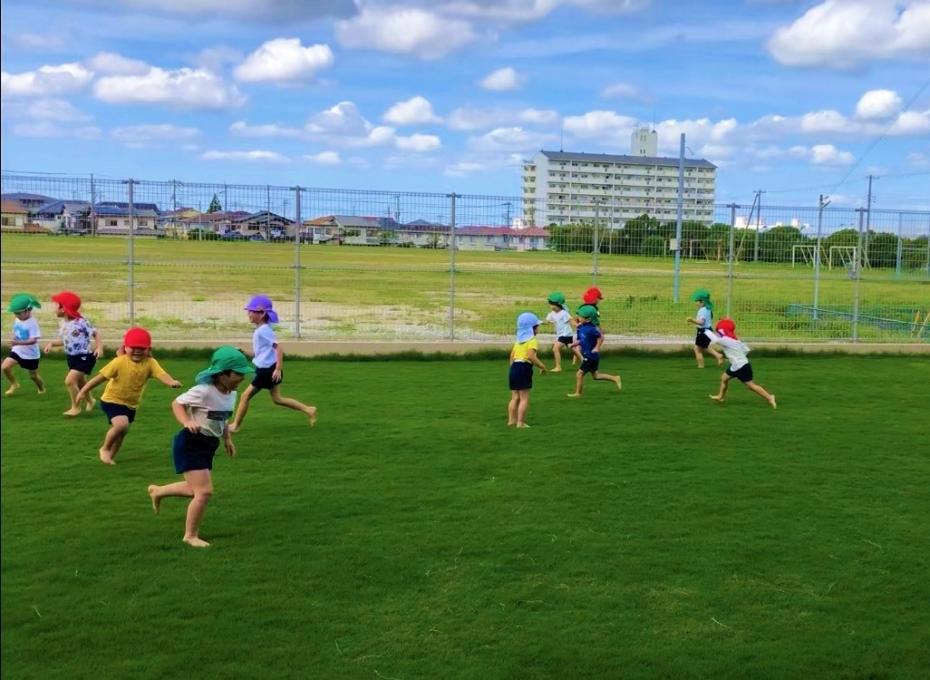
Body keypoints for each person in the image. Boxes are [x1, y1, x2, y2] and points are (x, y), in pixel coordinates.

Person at [147, 346, 254, 548]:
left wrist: (227, 439)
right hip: (191, 443)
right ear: (222, 374)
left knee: (194, 489)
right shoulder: (204, 391)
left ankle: (158, 491)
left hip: (208, 444)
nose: (242, 378)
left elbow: (221, 419)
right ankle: (190, 536)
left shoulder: (231, 394)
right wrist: (186, 421)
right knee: (204, 492)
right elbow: (177, 403)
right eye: (238, 374)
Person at [76, 327, 182, 465]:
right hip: (111, 400)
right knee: (121, 425)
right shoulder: (119, 362)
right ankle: (105, 449)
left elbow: (161, 374)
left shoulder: (150, 363)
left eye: (142, 348)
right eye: (134, 347)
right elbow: (100, 378)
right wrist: (83, 391)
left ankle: (110, 456)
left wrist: (171, 382)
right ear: (125, 347)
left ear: (148, 349)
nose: (137, 350)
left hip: (131, 404)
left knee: (122, 432)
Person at [228, 295, 317, 432]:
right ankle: (308, 409)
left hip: (267, 371)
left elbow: (278, 348)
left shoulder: (263, 331)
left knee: (245, 396)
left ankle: (235, 426)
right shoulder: (262, 330)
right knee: (277, 399)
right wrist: (243, 352)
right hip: (268, 369)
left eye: (251, 311)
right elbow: (261, 354)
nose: (248, 314)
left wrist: (277, 369)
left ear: (262, 313)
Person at [43, 291, 103, 416]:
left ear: (63, 309)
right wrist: (52, 344)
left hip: (84, 357)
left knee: (70, 381)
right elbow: (67, 340)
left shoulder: (81, 322)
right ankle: (90, 400)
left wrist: (99, 348)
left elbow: (96, 333)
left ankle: (76, 407)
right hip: (72, 358)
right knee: (81, 382)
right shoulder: (64, 324)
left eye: (56, 305)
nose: (54, 308)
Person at [705, 318, 776, 409]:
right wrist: (735, 357)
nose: (718, 333)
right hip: (738, 365)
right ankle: (720, 397)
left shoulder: (727, 340)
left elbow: (715, 340)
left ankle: (770, 397)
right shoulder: (736, 341)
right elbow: (746, 350)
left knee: (751, 386)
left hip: (741, 367)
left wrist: (705, 330)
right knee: (724, 378)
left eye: (719, 331)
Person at [567, 304, 621, 397]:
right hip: (590, 355)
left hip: (590, 356)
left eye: (580, 316)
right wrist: (573, 344)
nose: (578, 317)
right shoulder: (581, 328)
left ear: (588, 319)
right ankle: (615, 378)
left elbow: (601, 337)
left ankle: (577, 393)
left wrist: (597, 347)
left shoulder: (592, 329)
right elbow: (582, 340)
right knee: (596, 376)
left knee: (579, 374)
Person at [508, 312, 548, 428]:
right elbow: (531, 356)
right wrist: (542, 366)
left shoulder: (518, 341)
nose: (538, 329)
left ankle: (511, 420)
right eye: (537, 327)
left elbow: (512, 356)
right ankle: (520, 423)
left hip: (514, 367)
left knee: (515, 397)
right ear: (532, 329)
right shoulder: (532, 341)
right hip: (524, 368)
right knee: (524, 398)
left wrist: (513, 369)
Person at [3, 293, 45, 396]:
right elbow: (17, 333)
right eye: (15, 313)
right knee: (5, 367)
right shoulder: (18, 319)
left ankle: (41, 389)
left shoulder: (32, 323)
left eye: (18, 313)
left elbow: (33, 340)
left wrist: (17, 342)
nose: (16, 316)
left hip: (31, 355)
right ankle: (14, 384)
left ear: (28, 310)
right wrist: (14, 341)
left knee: (33, 376)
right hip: (18, 350)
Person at [686, 288, 723, 369]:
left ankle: (701, 366)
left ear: (702, 302)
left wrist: (691, 320)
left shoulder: (702, 310)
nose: (696, 303)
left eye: (697, 301)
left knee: (697, 349)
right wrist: (693, 322)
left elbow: (701, 322)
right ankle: (718, 355)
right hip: (707, 331)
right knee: (704, 346)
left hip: (703, 331)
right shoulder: (708, 309)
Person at [544, 291, 575, 372]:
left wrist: (578, 325)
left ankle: (558, 367)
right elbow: (546, 322)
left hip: (566, 334)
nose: (552, 307)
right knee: (574, 349)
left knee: (555, 349)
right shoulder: (552, 314)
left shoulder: (564, 313)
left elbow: (571, 321)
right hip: (562, 335)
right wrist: (536, 322)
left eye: (553, 305)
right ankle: (584, 361)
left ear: (559, 305)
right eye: (550, 304)